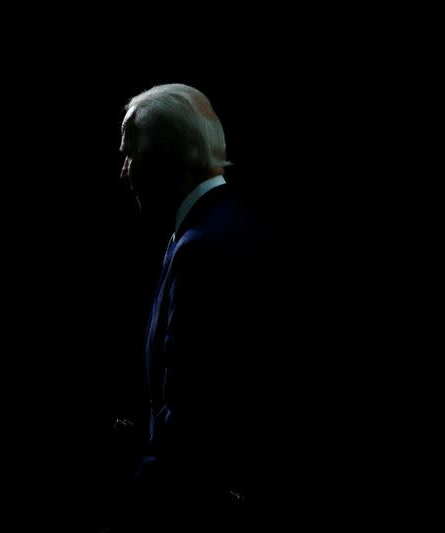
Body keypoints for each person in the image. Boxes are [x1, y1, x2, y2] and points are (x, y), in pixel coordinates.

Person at [114, 83, 293, 532]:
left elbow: (188, 420)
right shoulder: (227, 226)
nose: (124, 171)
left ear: (168, 158)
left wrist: (129, 517)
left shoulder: (202, 248)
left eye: (131, 154)